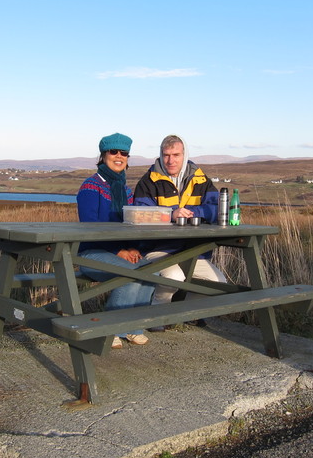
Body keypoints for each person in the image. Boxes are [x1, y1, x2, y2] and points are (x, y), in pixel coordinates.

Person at [133, 134, 227, 316]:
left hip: (194, 251)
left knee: (219, 283)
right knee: (174, 277)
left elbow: (217, 209)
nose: (170, 160)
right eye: (166, 155)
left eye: (176, 155)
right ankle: (156, 317)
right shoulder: (148, 181)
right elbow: (140, 214)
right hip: (158, 249)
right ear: (160, 155)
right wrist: (171, 214)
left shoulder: (200, 179)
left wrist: (193, 213)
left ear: (184, 155)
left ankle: (185, 316)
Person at [76, 132, 153, 348]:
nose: (119, 156)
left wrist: (132, 247)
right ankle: (109, 330)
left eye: (124, 153)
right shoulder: (91, 186)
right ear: (103, 155)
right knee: (131, 273)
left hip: (119, 251)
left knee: (153, 270)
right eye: (113, 152)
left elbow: (132, 224)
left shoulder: (126, 190)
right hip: (92, 253)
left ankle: (133, 327)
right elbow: (90, 227)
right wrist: (119, 250)